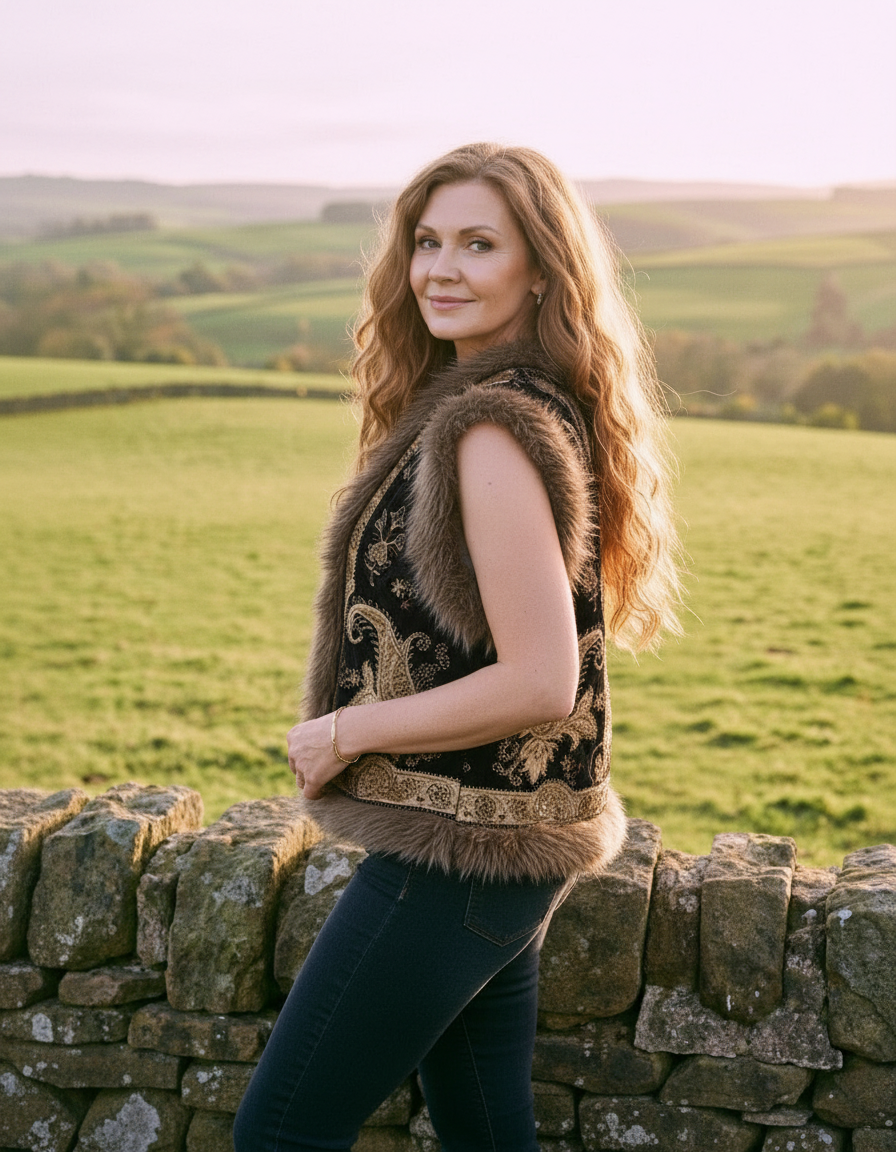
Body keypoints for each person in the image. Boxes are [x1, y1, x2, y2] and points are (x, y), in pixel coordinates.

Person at [233, 142, 682, 1152]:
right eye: (427, 241)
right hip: (502, 846)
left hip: (459, 859)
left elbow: (540, 679)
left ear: (542, 270)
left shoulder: (489, 428)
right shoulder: (520, 403)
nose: (439, 268)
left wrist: (345, 730)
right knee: (485, 1131)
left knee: (279, 1134)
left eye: (479, 244)